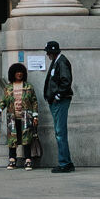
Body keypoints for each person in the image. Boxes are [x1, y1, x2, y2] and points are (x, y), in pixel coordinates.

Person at [0, 61, 41, 170]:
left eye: (21, 72)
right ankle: (12, 159)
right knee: (12, 139)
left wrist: (35, 116)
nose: (19, 74)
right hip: (12, 118)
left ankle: (27, 160)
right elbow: (4, 101)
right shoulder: (8, 88)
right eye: (17, 72)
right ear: (13, 73)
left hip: (26, 117)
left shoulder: (28, 86)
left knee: (26, 138)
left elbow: (34, 101)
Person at [41, 38, 74, 173]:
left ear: (52, 52)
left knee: (60, 133)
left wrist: (58, 95)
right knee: (59, 132)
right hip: (57, 101)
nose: (47, 55)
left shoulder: (61, 61)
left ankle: (64, 163)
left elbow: (66, 80)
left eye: (48, 52)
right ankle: (66, 162)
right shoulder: (57, 61)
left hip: (60, 101)